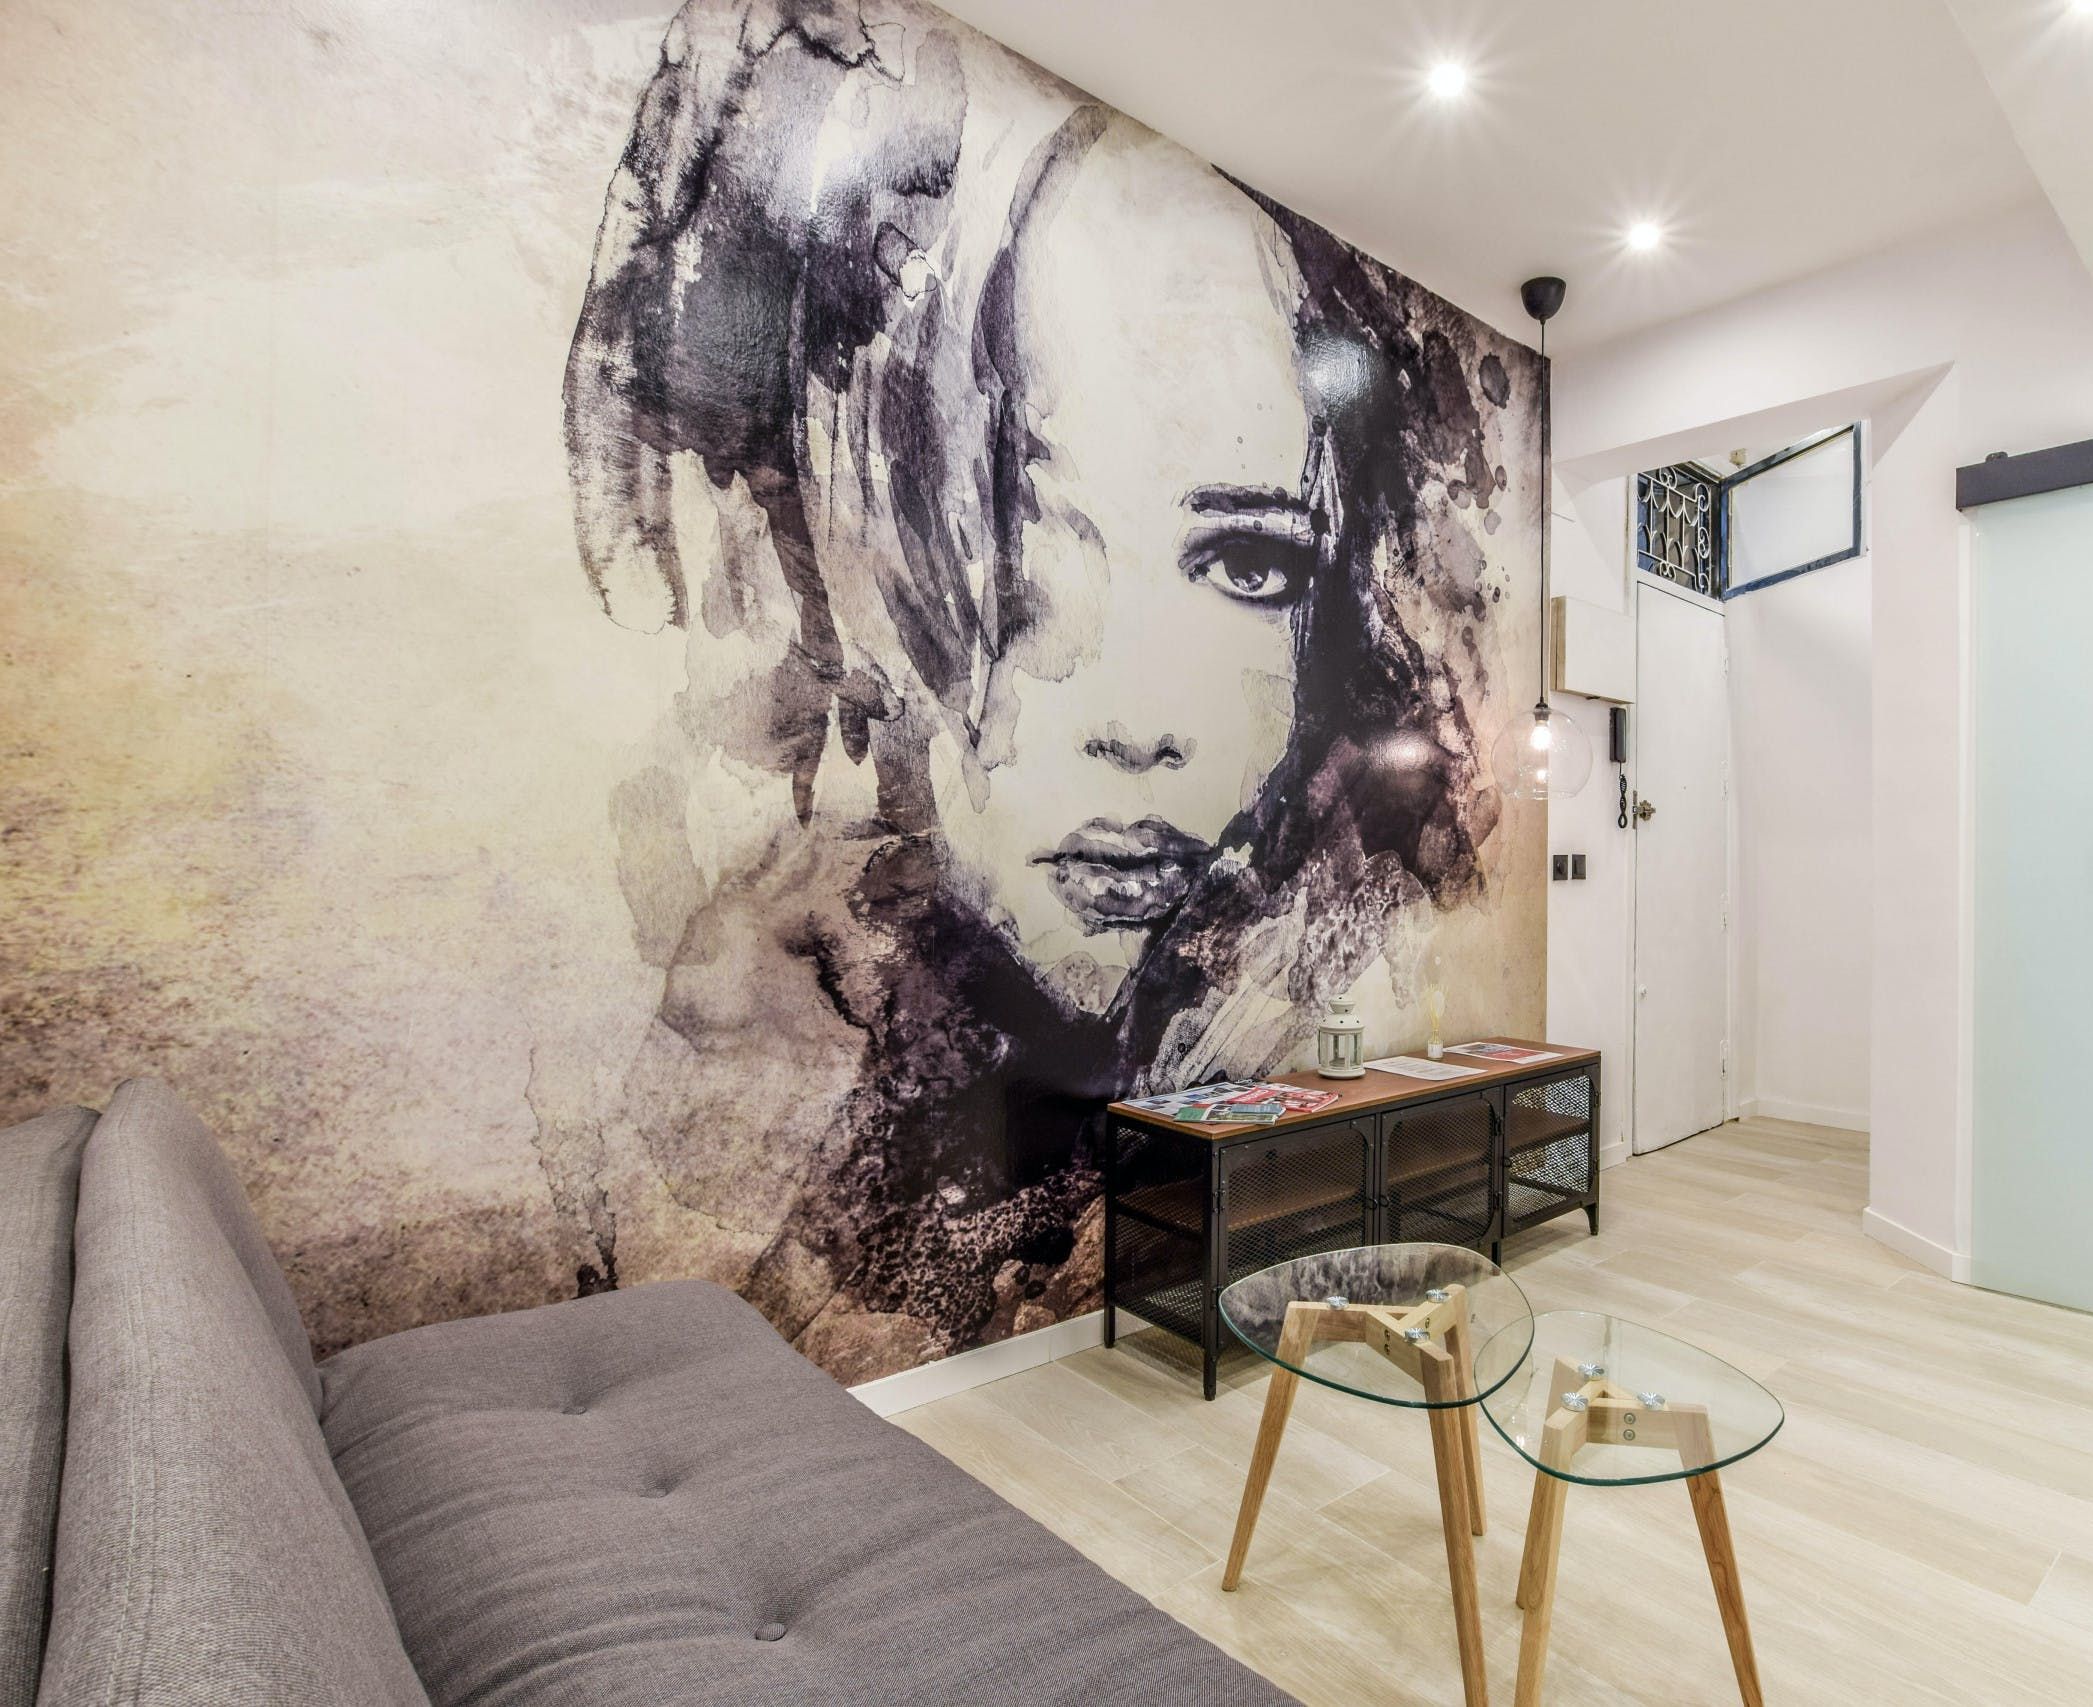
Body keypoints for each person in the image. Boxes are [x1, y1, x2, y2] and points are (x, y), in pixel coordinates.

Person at [562, 0, 1530, 1381]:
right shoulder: (733, 1073)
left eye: (1249, 566)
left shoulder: (1299, 953)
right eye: (1020, 555)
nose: (1143, 726)